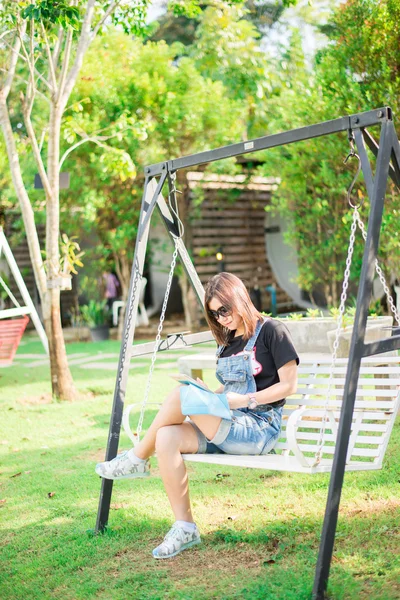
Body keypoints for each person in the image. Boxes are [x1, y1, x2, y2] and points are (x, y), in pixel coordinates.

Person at [95, 272, 299, 559]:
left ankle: (137, 458)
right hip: (229, 423)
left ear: (238, 298)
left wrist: (245, 399)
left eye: (224, 310)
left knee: (181, 396)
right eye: (215, 314)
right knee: (167, 436)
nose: (221, 318)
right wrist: (209, 395)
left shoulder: (272, 331)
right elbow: (228, 390)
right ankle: (185, 527)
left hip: (259, 427)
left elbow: (289, 385)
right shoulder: (228, 341)